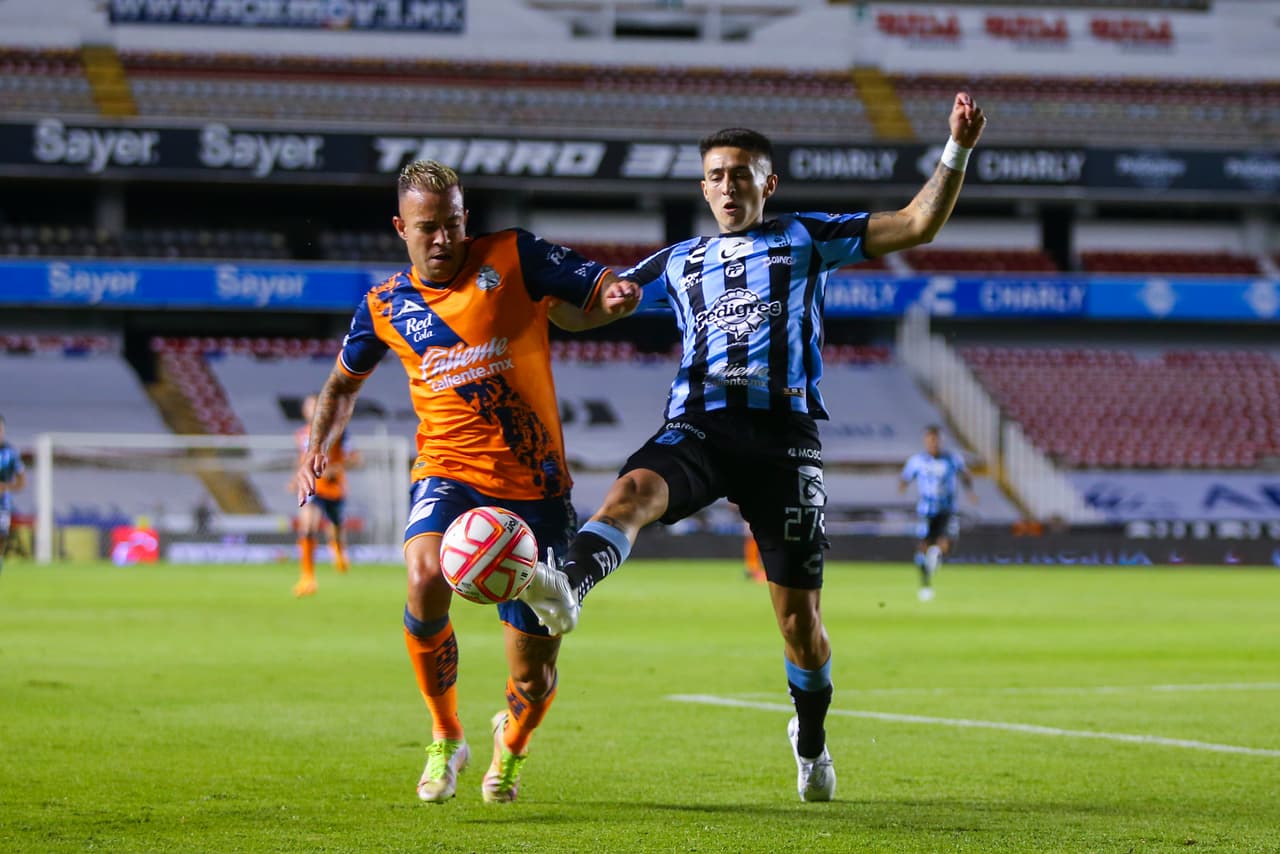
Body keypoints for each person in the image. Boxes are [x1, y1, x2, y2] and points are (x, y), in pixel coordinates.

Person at [519, 93, 986, 802]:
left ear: (768, 184)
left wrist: (956, 147)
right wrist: (570, 304)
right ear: (702, 187)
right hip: (700, 424)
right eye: (716, 174)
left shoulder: (806, 237)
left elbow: (919, 223)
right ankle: (569, 585)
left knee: (801, 627)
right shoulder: (677, 261)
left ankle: (812, 738)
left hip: (783, 440)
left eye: (742, 173)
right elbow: (581, 315)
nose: (728, 185)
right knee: (629, 494)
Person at [292, 159, 639, 805]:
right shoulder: (383, 304)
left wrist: (615, 292)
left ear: (465, 218)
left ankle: (512, 744)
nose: (445, 239)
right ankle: (447, 735)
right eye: (429, 227)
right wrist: (317, 446)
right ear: (401, 227)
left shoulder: (512, 255)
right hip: (449, 473)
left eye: (453, 223)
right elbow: (342, 383)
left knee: (532, 675)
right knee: (424, 578)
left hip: (536, 489)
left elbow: (596, 284)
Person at [291, 393, 360, 597]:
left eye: (314, 406)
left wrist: (336, 469)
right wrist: (295, 479)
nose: (310, 410)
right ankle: (307, 577)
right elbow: (302, 459)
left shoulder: (338, 432)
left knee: (336, 525)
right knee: (307, 527)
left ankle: (337, 547)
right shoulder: (301, 434)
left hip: (333, 486)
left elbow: (355, 458)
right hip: (311, 485)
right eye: (308, 406)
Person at [899, 424, 977, 601]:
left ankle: (936, 555)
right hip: (926, 510)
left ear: (941, 441)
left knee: (946, 544)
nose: (932, 443)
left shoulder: (952, 459)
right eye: (929, 440)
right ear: (925, 441)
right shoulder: (917, 461)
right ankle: (925, 584)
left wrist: (970, 492)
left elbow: (965, 475)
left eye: (935, 440)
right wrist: (903, 486)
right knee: (923, 547)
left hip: (947, 509)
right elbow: (905, 477)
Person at [0, 415, 26, 573]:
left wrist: (5, 487)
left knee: (1, 535)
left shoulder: (11, 453)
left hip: (2, 505)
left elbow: (22, 482)